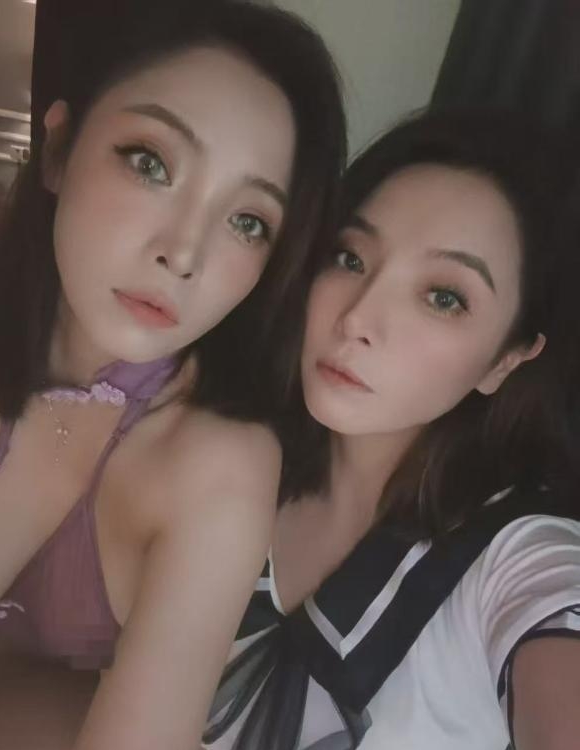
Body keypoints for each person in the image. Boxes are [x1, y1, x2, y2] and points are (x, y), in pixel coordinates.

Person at [0, 1, 346, 748]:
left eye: (248, 221)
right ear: (58, 149)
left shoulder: (216, 466)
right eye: (151, 163)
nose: (183, 253)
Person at [204, 110, 580, 750]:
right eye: (349, 257)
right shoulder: (227, 460)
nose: (357, 318)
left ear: (506, 360)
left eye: (444, 297)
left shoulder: (516, 559)